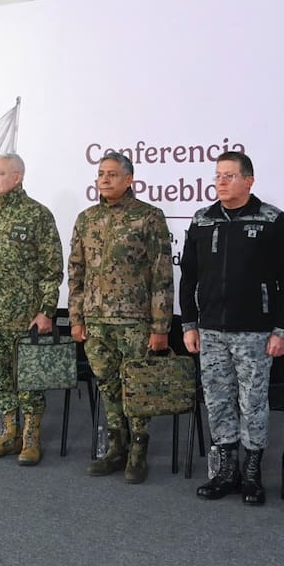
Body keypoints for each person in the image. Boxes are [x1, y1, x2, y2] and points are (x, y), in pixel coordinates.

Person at [180, 151, 284, 505]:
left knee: (253, 402)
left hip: (256, 331)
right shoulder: (202, 220)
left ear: (249, 180)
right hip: (211, 330)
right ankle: (226, 470)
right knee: (217, 400)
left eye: (229, 176)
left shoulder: (272, 220)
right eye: (217, 175)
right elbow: (188, 277)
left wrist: (282, 329)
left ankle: (252, 472)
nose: (221, 182)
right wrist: (189, 324)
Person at [69, 151, 173, 484]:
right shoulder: (86, 218)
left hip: (135, 321)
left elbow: (161, 274)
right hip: (96, 321)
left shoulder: (148, 217)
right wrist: (76, 317)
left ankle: (138, 449)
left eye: (112, 174)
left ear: (129, 180)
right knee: (108, 384)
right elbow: (76, 272)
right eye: (101, 173)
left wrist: (160, 326)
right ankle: (116, 446)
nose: (104, 179)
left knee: (137, 385)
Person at [0, 154, 63, 465]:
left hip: (24, 317)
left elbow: (51, 269)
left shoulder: (37, 215)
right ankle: (10, 433)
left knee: (29, 380)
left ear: (17, 177)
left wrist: (47, 310)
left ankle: (31, 439)